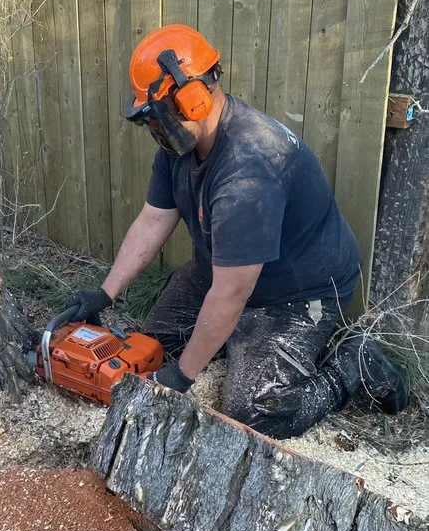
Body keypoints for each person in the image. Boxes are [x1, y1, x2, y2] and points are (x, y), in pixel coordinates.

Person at [66, 24, 408, 439]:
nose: (155, 128)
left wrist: (181, 379)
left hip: (297, 293)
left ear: (191, 100)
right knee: (153, 349)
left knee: (253, 411)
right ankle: (232, 340)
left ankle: (352, 364)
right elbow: (153, 220)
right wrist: (104, 293)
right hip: (222, 271)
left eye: (157, 115)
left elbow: (232, 293)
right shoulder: (180, 148)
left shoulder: (250, 169)